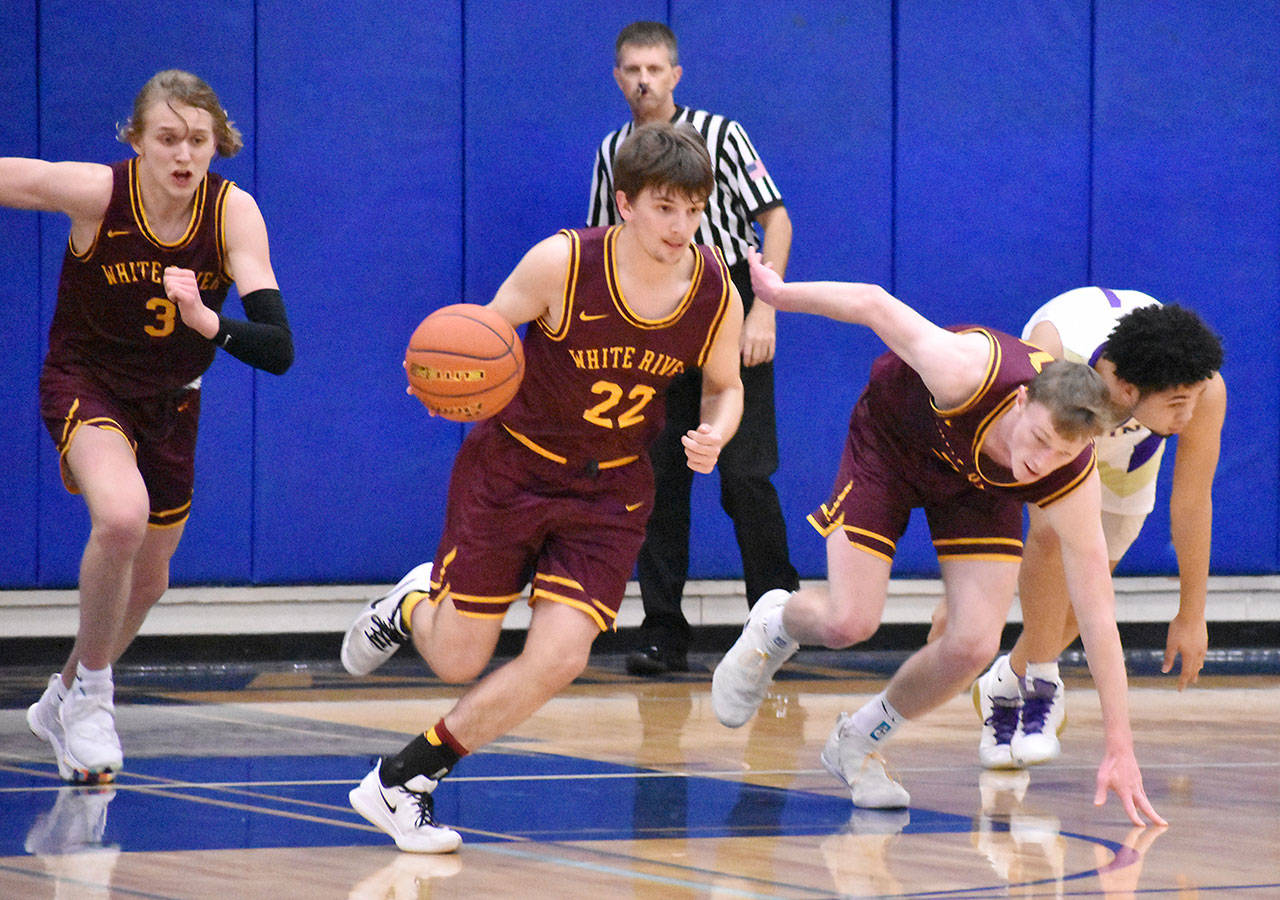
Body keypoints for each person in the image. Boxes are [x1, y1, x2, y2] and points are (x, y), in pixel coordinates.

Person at [340, 121, 745, 853]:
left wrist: (716, 430)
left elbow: (725, 385)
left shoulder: (715, 291)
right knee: (458, 659)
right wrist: (442, 377)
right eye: (664, 208)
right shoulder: (561, 263)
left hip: (612, 490)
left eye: (693, 210)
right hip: (515, 470)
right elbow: (482, 339)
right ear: (625, 203)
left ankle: (404, 779)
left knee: (562, 657)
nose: (681, 227)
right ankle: (411, 603)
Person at [711, 251, 1166, 827]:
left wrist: (1120, 746)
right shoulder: (965, 369)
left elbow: (1098, 616)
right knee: (849, 622)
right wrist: (779, 295)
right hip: (892, 445)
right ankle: (776, 623)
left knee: (974, 644)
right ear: (1022, 401)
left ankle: (858, 741)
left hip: (976, 486)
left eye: (1063, 452)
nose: (1042, 461)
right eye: (1040, 438)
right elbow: (873, 303)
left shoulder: (1069, 476)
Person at [3, 70, 293, 785]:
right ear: (136, 140)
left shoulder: (232, 214)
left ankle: (63, 698)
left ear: (217, 144)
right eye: (167, 138)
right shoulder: (99, 193)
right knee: (122, 517)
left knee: (151, 578)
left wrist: (207, 321)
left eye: (197, 139)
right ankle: (94, 699)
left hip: (172, 400)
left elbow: (279, 349)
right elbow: (19, 178)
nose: (182, 154)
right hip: (88, 382)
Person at [589, 20, 799, 675]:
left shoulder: (723, 135)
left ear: (675, 75)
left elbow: (775, 219)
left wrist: (766, 306)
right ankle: (662, 631)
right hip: (648, 318)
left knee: (745, 476)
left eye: (655, 68)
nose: (644, 80)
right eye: (632, 69)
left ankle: (776, 622)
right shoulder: (612, 151)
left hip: (726, 297)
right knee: (655, 479)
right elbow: (600, 245)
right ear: (617, 77)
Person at [966, 288, 1224, 770]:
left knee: (1086, 592)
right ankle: (1042, 686)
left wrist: (1192, 613)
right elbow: (994, 458)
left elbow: (1192, 503)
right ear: (1127, 390)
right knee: (1049, 536)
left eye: (1190, 401)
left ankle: (1005, 680)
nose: (1187, 416)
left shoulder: (1202, 388)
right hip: (1063, 426)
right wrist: (969, 585)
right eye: (1176, 404)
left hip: (1128, 454)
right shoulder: (1053, 354)